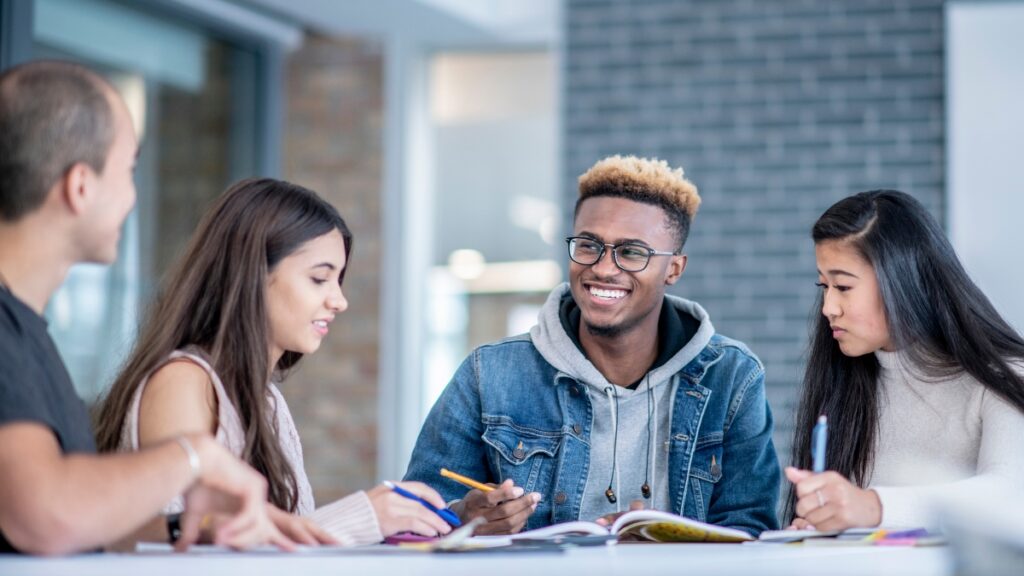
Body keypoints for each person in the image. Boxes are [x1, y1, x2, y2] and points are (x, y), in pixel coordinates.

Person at [0, 61, 295, 554]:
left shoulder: (25, 334)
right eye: (128, 170)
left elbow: (65, 518)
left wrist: (189, 528)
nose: (132, 197)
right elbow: (45, 516)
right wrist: (193, 454)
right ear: (80, 186)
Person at [404, 155, 781, 536]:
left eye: (632, 252)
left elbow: (750, 530)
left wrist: (666, 543)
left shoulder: (732, 377)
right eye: (588, 245)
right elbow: (416, 518)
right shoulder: (491, 374)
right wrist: (463, 521)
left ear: (674, 269)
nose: (602, 268)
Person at [95, 177, 453, 545]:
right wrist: (366, 515)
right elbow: (195, 546)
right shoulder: (183, 382)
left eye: (338, 280)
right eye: (319, 279)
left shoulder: (266, 401)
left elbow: (272, 546)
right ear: (252, 275)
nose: (339, 301)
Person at [786, 190, 1024, 531]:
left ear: (901, 280)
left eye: (843, 286)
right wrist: (825, 527)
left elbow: (1010, 492)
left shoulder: (1003, 377)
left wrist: (872, 507)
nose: (828, 308)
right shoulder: (847, 383)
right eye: (824, 286)